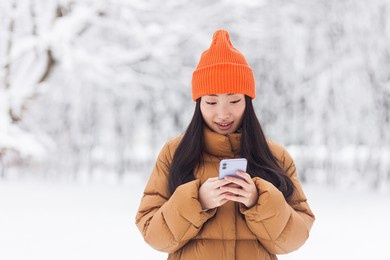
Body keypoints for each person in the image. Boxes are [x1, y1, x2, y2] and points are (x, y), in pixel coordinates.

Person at [135, 29, 315, 260]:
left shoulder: (276, 156)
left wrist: (258, 200)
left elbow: (295, 238)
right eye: (211, 101)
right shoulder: (174, 153)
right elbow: (153, 234)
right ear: (198, 103)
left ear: (248, 101)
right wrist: (196, 201)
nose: (223, 113)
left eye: (234, 100)